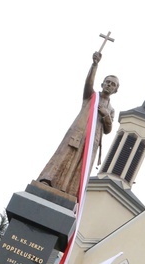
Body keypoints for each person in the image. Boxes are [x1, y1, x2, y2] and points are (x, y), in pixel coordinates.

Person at [37, 51, 118, 198]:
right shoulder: (92, 96)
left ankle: (69, 191)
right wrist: (94, 65)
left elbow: (108, 129)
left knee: (80, 166)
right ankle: (47, 180)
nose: (109, 85)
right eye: (108, 82)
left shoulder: (111, 110)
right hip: (78, 133)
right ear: (103, 83)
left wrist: (105, 114)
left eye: (113, 85)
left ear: (115, 90)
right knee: (65, 156)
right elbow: (88, 84)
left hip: (92, 141)